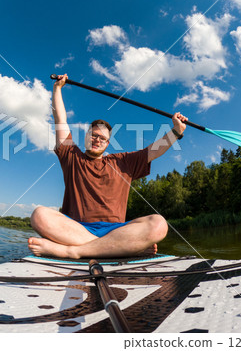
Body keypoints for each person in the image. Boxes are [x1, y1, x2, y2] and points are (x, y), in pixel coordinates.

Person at [28, 74, 188, 259]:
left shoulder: (122, 161)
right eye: (93, 135)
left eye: (102, 138)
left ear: (108, 143)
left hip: (116, 230)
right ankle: (121, 248)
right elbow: (60, 120)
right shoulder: (72, 156)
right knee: (39, 214)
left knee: (159, 224)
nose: (97, 140)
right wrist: (57, 89)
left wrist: (176, 131)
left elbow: (154, 150)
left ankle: (74, 251)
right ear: (87, 137)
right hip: (75, 228)